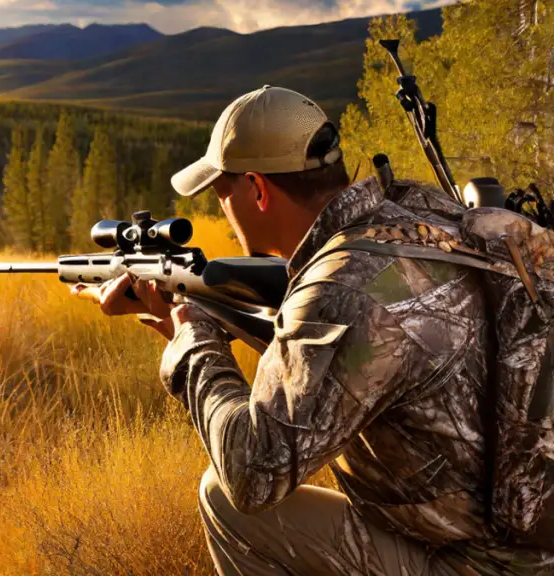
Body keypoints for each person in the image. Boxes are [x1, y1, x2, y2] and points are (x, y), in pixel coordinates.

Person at [72, 85, 554, 574]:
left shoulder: (340, 290)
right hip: (531, 537)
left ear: (257, 190)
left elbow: (253, 473)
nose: (222, 207)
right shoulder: (419, 216)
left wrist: (193, 343)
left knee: (226, 502)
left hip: (488, 565)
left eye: (221, 192)